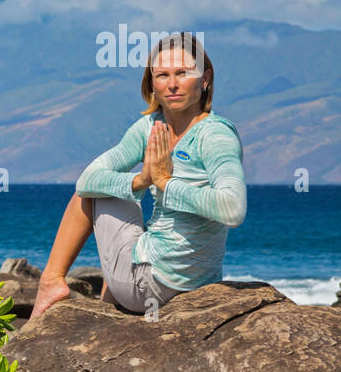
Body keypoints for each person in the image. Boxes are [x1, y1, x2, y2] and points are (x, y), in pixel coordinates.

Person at [29, 32, 246, 319]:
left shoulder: (215, 135)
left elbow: (233, 209)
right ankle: (107, 308)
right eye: (162, 75)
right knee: (107, 189)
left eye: (182, 73)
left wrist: (165, 183)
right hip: (193, 286)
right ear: (152, 85)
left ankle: (51, 281)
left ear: (205, 79)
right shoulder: (149, 127)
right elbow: (87, 179)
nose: (172, 84)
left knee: (97, 196)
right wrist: (140, 181)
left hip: (153, 289)